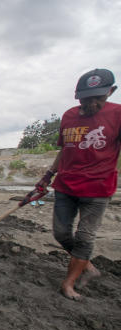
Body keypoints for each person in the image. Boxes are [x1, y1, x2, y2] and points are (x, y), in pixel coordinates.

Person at [36, 68, 121, 300]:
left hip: (98, 188)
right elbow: (66, 149)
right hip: (65, 185)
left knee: (85, 237)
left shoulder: (118, 115)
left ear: (111, 92)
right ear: (78, 95)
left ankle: (69, 284)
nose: (91, 103)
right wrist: (48, 175)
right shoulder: (69, 116)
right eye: (86, 98)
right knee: (61, 233)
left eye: (98, 98)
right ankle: (87, 266)